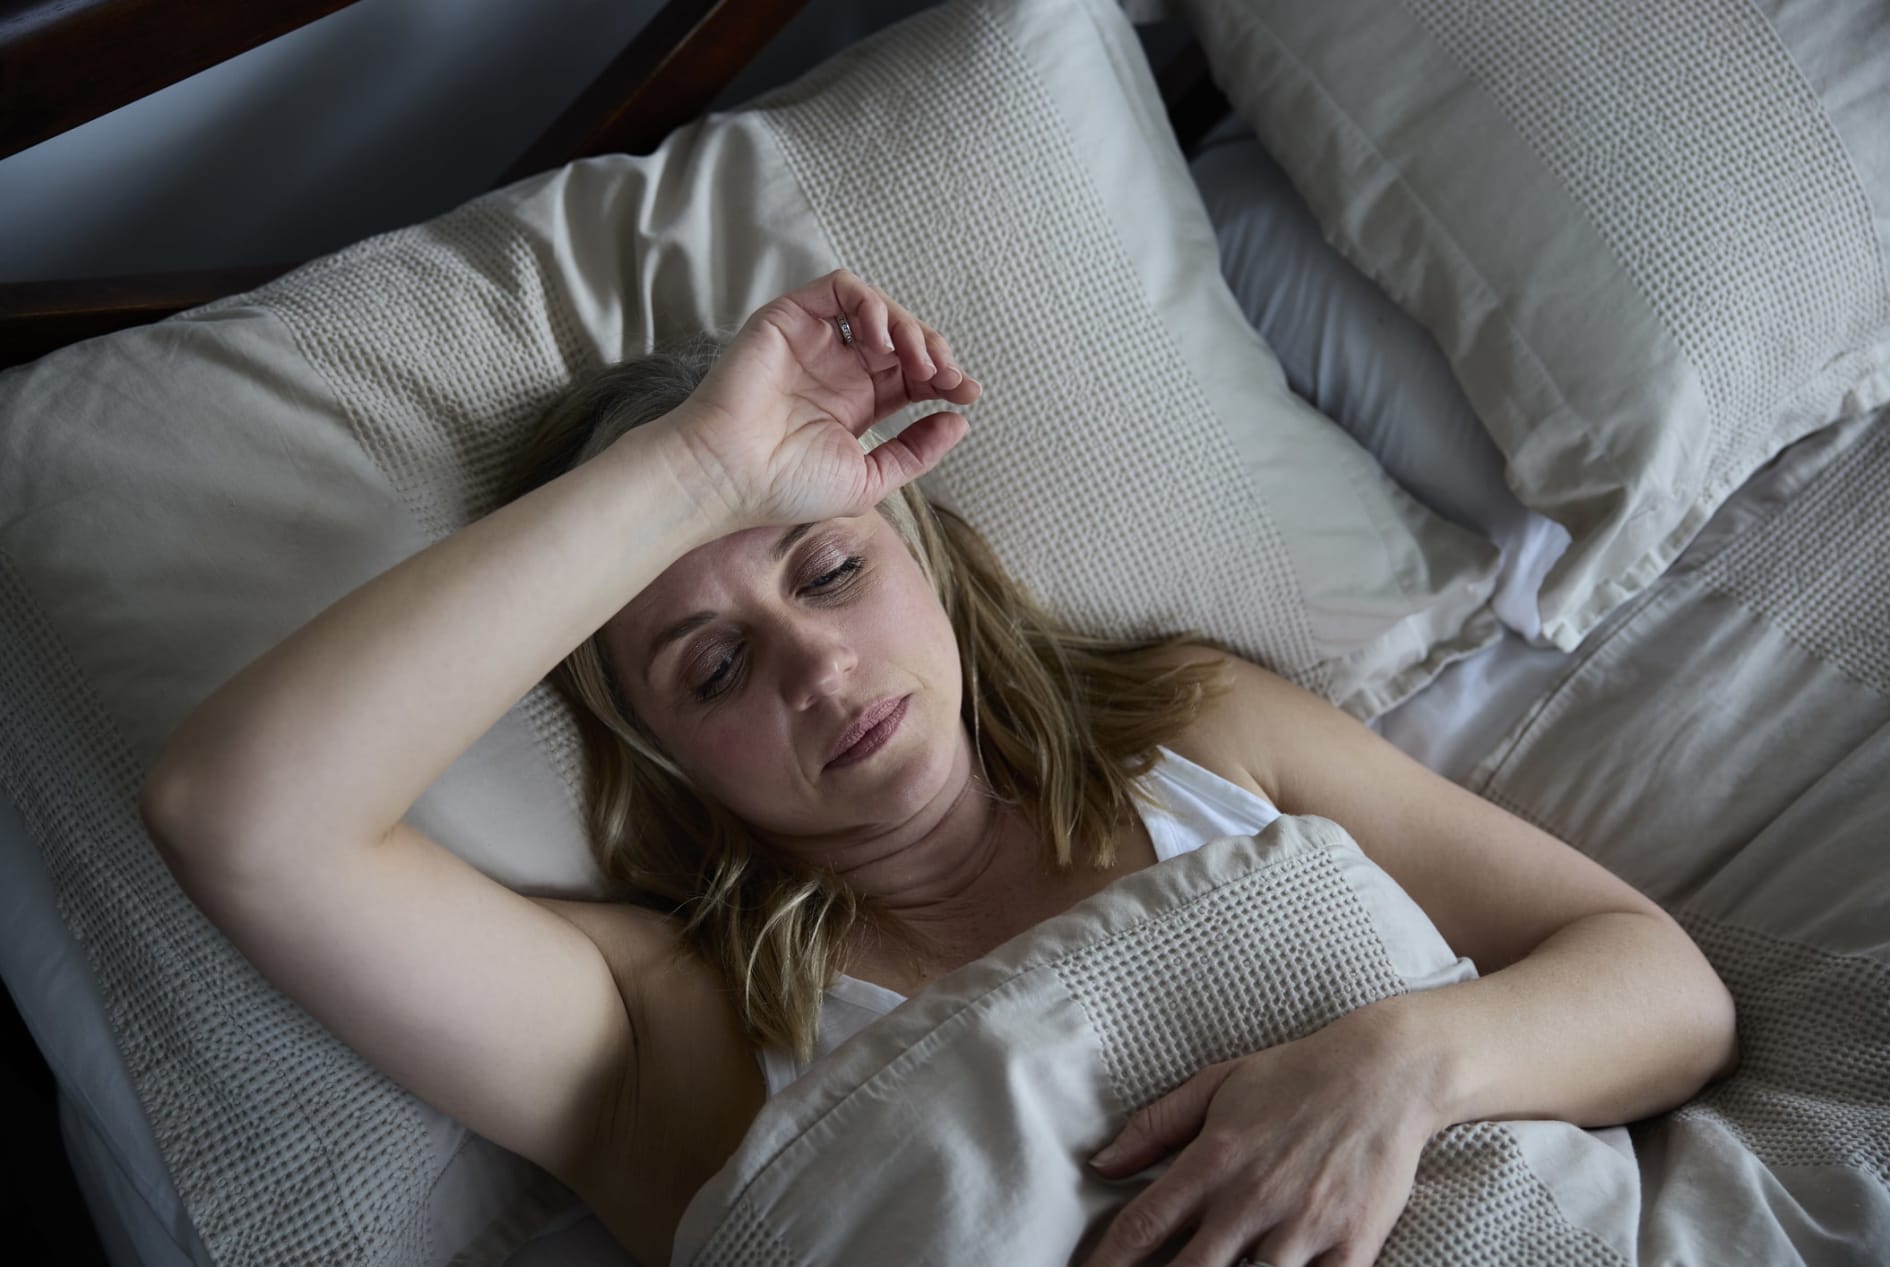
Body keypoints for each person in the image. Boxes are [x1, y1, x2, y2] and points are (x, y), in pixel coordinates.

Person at [139, 269, 1740, 1267]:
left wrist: (1399, 1066)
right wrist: (696, 470)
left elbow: (1663, 990)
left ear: (929, 557)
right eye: (711, 666)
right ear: (665, 759)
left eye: (827, 573)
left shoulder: (1194, 729)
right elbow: (243, 818)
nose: (818, 668)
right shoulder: (660, 1029)